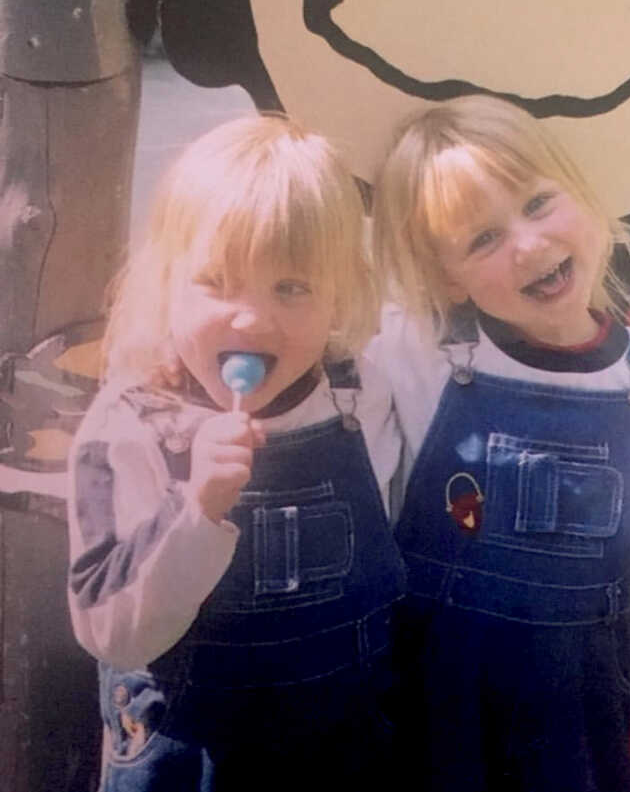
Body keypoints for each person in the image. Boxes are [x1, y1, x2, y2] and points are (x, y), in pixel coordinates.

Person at [371, 95, 630, 792]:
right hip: (431, 710)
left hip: (576, 718)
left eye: (538, 203)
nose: (528, 245)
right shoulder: (421, 354)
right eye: (482, 240)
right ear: (449, 277)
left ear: (585, 197)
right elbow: (309, 337)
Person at [67, 115, 406, 791]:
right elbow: (110, 629)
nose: (251, 319)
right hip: (191, 757)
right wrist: (196, 507)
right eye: (217, 282)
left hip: (341, 746)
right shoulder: (131, 423)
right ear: (167, 283)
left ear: (339, 294)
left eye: (292, 287)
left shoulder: (360, 397)